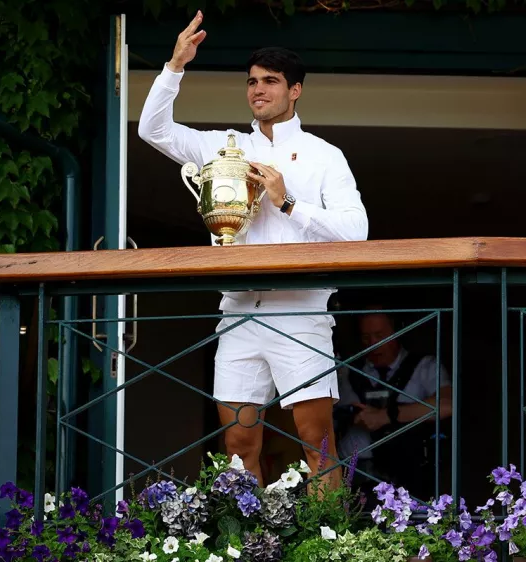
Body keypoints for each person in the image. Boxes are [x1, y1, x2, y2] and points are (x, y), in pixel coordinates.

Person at [137, 11, 368, 491]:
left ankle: (332, 547)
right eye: (251, 82)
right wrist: (175, 66)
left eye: (270, 81)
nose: (258, 90)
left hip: (300, 313)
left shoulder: (325, 155)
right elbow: (153, 131)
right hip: (239, 312)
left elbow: (356, 230)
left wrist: (288, 202)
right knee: (239, 447)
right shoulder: (226, 148)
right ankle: (249, 545)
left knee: (317, 445)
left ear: (295, 90)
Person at [335, 311, 452, 501]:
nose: (373, 343)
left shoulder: (424, 366)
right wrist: (351, 415)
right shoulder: (347, 371)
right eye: (366, 337)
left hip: (411, 472)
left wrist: (387, 415)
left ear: (398, 332)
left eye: (380, 336)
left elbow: (447, 405)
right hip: (357, 473)